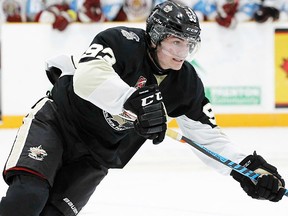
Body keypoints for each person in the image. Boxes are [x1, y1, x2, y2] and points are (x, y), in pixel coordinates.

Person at [0, 1, 286, 215]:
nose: (183, 53)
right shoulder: (121, 42)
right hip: (57, 124)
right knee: (27, 198)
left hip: (98, 154)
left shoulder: (185, 83)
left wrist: (245, 168)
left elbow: (207, 136)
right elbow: (86, 79)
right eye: (176, 42)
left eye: (189, 45)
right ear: (156, 36)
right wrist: (131, 98)